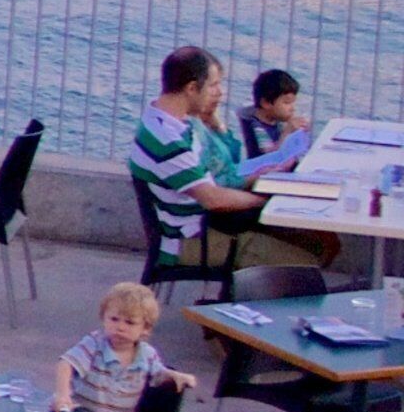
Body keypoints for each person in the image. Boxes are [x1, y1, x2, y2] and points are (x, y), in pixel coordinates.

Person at [134, 47, 335, 273]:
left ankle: (249, 296)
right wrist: (264, 201)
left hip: (207, 225)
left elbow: (221, 171)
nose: (219, 92)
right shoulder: (168, 139)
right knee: (308, 259)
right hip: (192, 241)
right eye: (213, 85)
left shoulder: (168, 120)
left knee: (323, 241)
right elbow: (213, 198)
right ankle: (255, 300)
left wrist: (258, 179)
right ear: (191, 88)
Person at [57, 279, 199, 412]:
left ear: (146, 328)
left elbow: (159, 374)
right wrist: (63, 395)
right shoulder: (95, 343)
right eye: (114, 319)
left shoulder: (147, 355)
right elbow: (66, 363)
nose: (120, 327)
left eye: (129, 323)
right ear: (103, 318)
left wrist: (175, 375)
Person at [247, 68, 320, 169]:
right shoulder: (257, 128)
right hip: (267, 177)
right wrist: (287, 132)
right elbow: (270, 158)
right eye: (287, 103)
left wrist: (298, 134)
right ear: (266, 103)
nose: (292, 108)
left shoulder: (276, 122)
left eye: (292, 103)